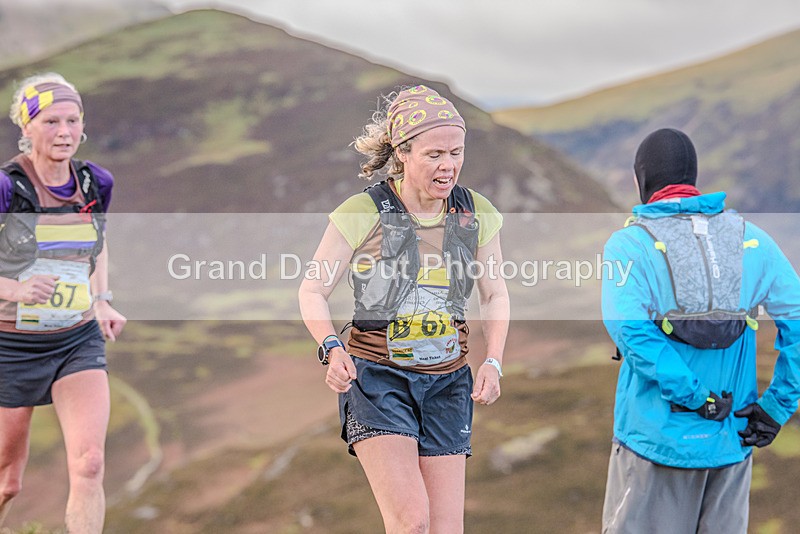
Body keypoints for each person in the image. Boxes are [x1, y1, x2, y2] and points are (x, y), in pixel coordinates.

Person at [298, 84, 509, 533]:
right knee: (412, 523)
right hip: (378, 379)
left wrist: (493, 360)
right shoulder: (362, 212)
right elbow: (311, 290)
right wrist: (331, 347)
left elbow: (495, 294)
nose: (448, 165)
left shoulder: (477, 213)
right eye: (434, 154)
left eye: (456, 152)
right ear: (403, 153)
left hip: (449, 384)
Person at [601, 128, 800, 533]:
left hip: (654, 444)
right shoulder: (753, 240)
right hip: (730, 445)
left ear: (643, 180)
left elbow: (633, 334)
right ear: (692, 176)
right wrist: (776, 407)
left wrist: (697, 399)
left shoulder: (629, 246)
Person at [0, 73, 126, 533]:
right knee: (7, 482)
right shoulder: (8, 188)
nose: (64, 132)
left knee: (90, 464)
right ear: (27, 126)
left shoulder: (96, 183)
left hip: (76, 339)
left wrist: (103, 299)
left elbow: (98, 243)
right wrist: (14, 290)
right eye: (51, 121)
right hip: (10, 346)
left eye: (72, 120)